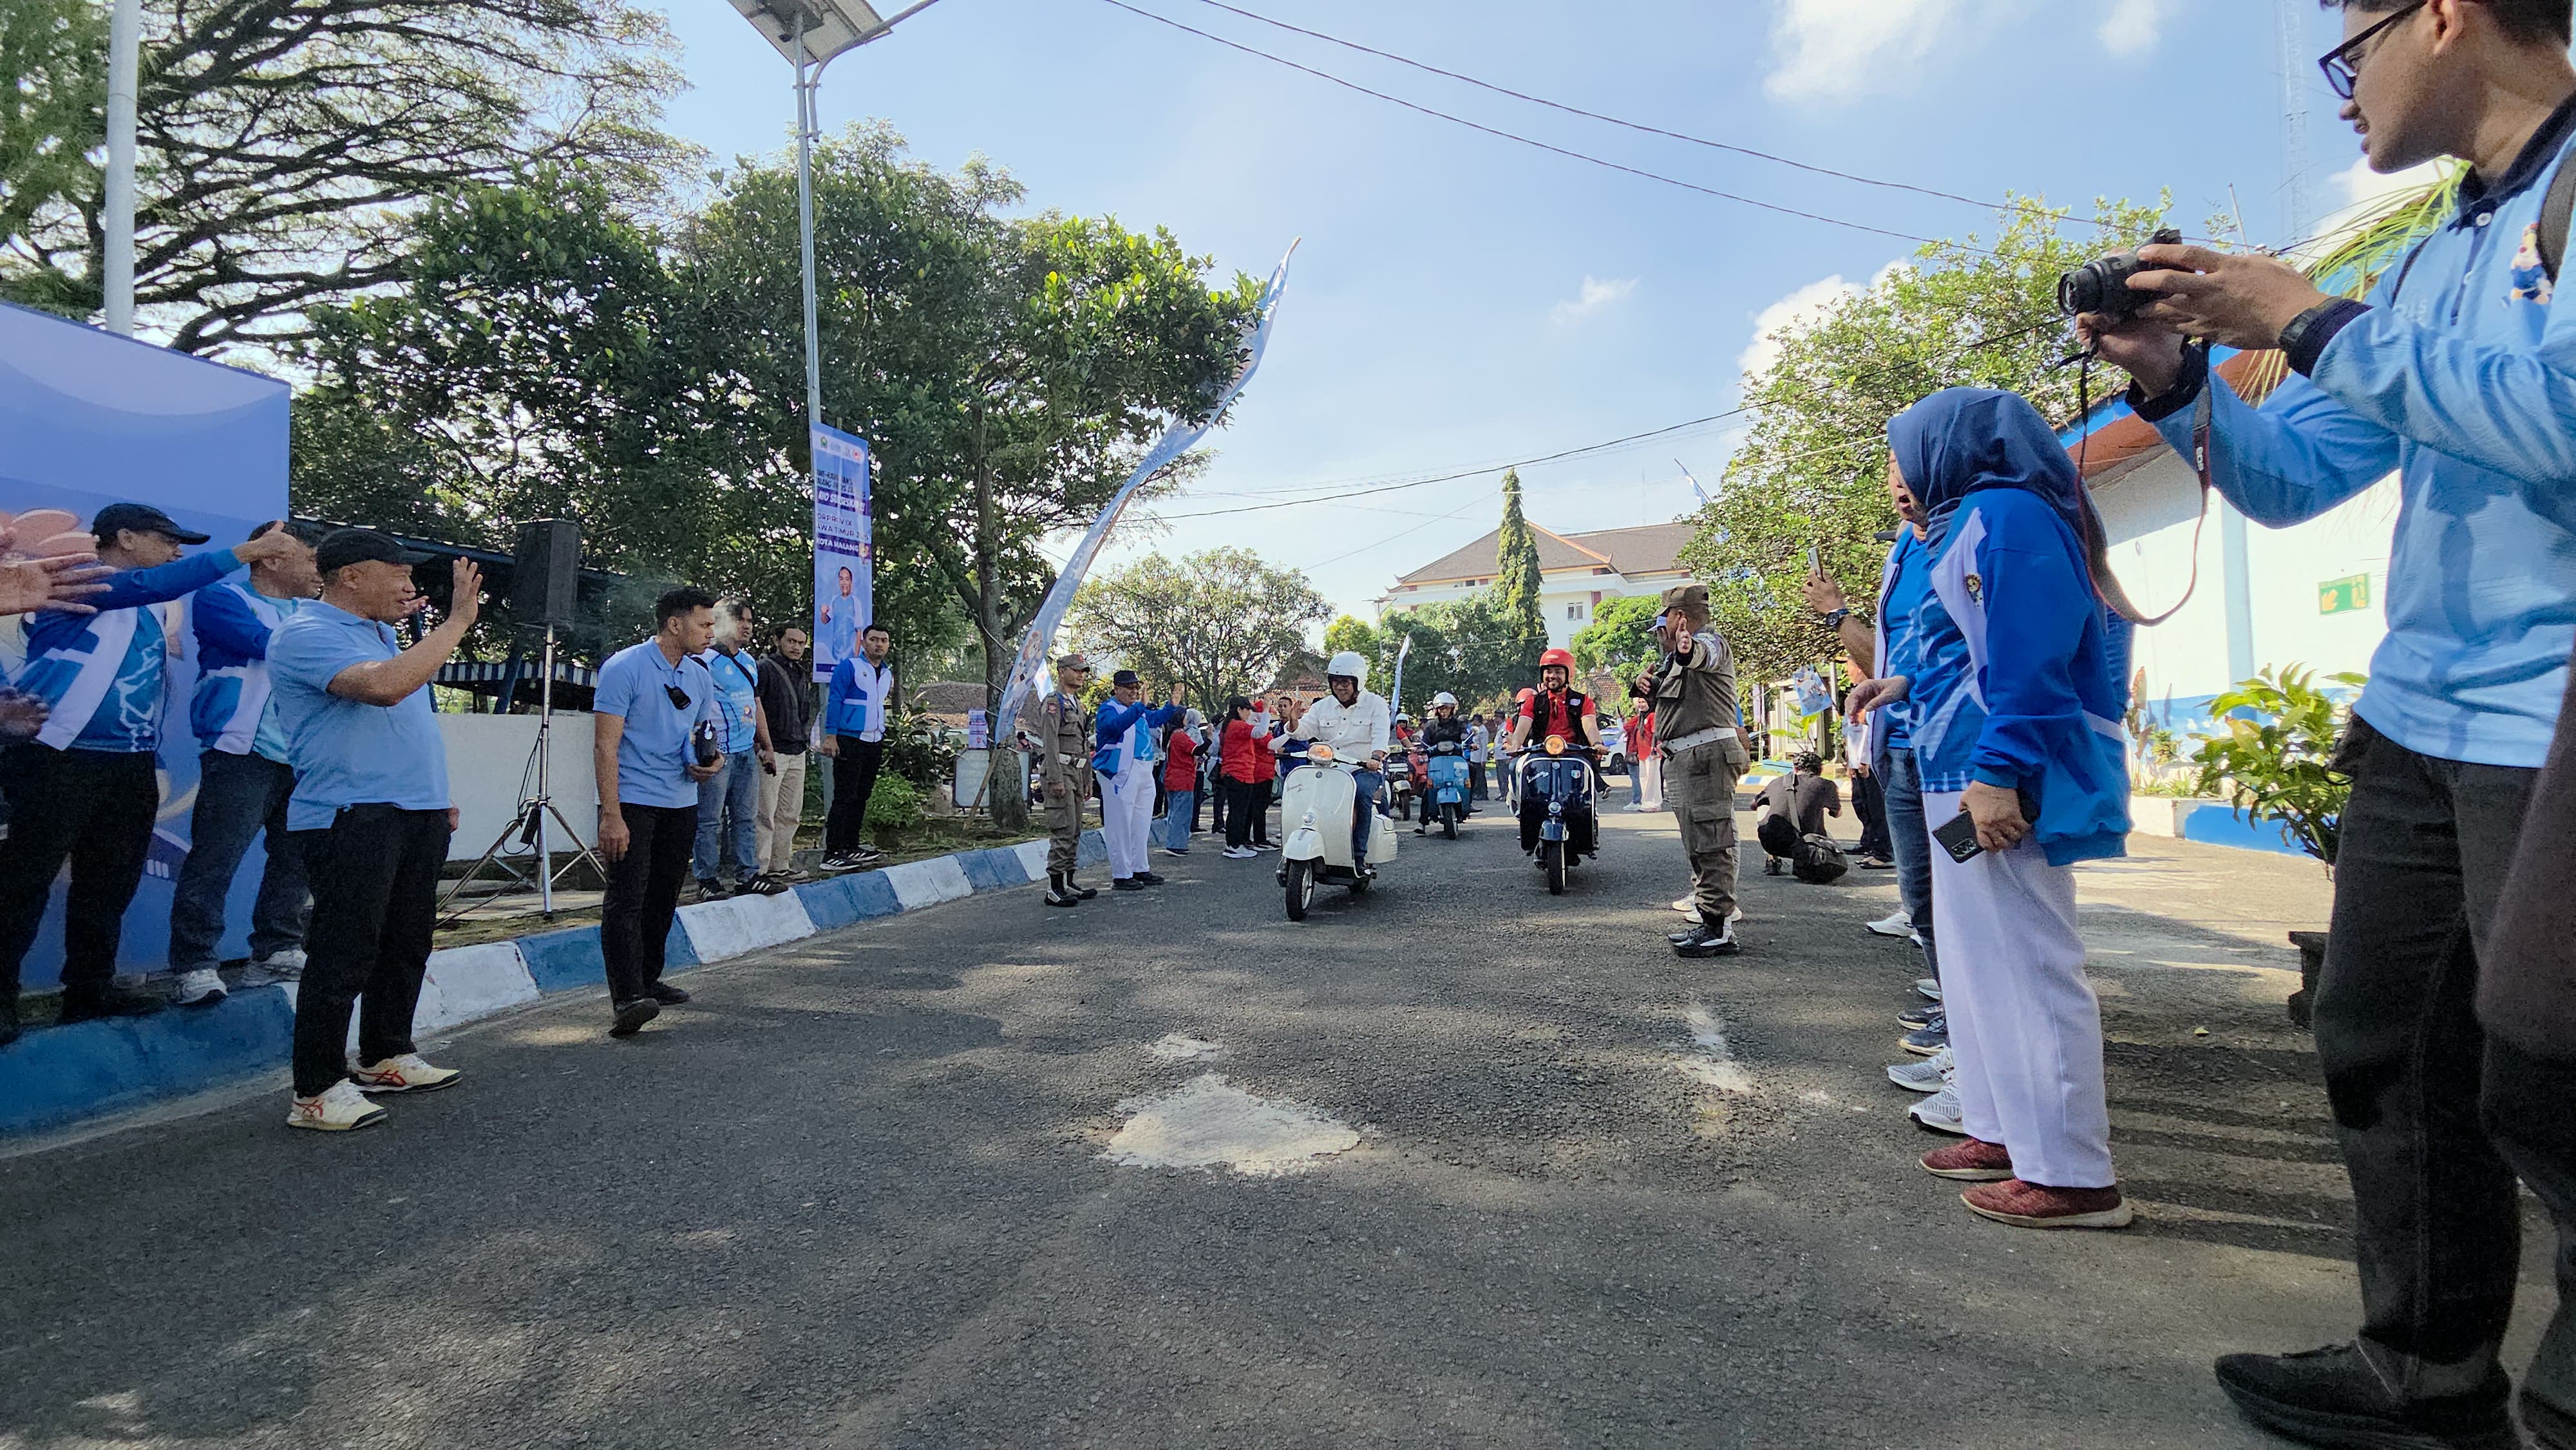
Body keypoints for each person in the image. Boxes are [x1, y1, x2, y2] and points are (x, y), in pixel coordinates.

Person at [2079, 0, 2576, 1432]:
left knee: (2547, 1087)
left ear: (2441, 15)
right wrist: (2175, 379)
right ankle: (2421, 1370)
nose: (2342, 92)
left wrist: (2302, 316)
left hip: (2547, 731)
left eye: (2343, 53)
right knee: (2381, 1046)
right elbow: (2296, 480)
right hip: (2420, 719)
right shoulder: (2432, 261)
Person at [1847, 388, 2136, 1232]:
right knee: (1974, 960)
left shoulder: (2005, 520)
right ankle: (2003, 1130)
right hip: (1956, 776)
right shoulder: (1968, 522)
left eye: (1905, 453)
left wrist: (2000, 771)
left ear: (1951, 448)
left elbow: (2032, 666)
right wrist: (1900, 683)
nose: (1897, 476)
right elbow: (1972, 657)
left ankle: (2074, 1173)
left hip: (1994, 781)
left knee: (2028, 962)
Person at [0, 504, 301, 1044]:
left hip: (130, 762)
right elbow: (150, 584)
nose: (176, 551)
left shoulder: (152, 609)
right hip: (58, 757)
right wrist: (245, 553)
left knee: (108, 886)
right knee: (24, 883)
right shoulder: (80, 579)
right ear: (125, 538)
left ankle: (88, 991)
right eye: (167, 540)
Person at [266, 531, 480, 1130]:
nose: (410, 586)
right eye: (398, 572)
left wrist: (436, 798)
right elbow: (384, 689)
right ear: (352, 576)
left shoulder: (381, 634)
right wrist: (459, 621)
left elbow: (404, 723)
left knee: (406, 941)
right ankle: (315, 1090)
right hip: (349, 813)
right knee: (344, 950)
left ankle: (386, 1053)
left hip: (414, 811)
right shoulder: (305, 633)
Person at [166, 519, 326, 1008]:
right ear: (273, 558)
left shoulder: (314, 613)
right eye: (312, 559)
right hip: (241, 750)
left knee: (295, 859)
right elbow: (269, 647)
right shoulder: (223, 599)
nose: (321, 572)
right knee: (215, 860)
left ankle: (276, 948)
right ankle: (194, 964)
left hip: (300, 754)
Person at [1811, 471, 1946, 1004]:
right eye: (1891, 474)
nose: (1897, 486)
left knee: (1960, 899)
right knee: (1925, 898)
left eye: (1906, 470)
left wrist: (1838, 615)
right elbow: (1888, 666)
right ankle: (1956, 1019)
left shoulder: (1975, 540)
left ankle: (1975, 1043)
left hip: (1948, 758)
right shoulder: (1904, 559)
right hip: (1901, 749)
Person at [592, 588, 724, 1039]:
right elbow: (605, 747)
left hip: (681, 800)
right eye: (704, 624)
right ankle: (626, 997)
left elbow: (703, 734)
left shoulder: (699, 674)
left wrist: (712, 761)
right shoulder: (624, 669)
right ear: (674, 624)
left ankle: (648, 979)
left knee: (664, 895)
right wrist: (611, 816)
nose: (712, 633)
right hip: (632, 801)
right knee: (627, 897)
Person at [1651, 587, 1751, 959]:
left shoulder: (1709, 642)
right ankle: (1709, 917)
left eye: (1666, 622)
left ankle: (1718, 927)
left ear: (1680, 618)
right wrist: (1649, 687)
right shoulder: (1674, 661)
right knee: (1698, 844)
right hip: (1686, 759)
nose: (1662, 633)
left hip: (1705, 756)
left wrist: (1687, 648)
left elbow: (1702, 655)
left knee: (1713, 841)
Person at [1274, 652, 1392, 874]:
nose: (1341, 687)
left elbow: (1380, 735)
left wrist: (1376, 757)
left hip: (1363, 769)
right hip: (1329, 769)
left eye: (1346, 682)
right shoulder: (1323, 707)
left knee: (1363, 797)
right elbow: (1304, 731)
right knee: (1304, 797)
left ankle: (1359, 856)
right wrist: (1293, 720)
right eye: (1336, 682)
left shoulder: (1376, 704)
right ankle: (1294, 852)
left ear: (1358, 681)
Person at [691, 599, 773, 899]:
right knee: (709, 820)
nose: (747, 626)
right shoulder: (704, 661)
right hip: (718, 754)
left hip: (745, 753)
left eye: (750, 621)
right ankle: (707, 880)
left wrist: (767, 746)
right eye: (740, 620)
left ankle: (748, 876)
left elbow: (756, 704)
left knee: (745, 818)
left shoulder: (750, 662)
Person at [1504, 648, 1601, 856]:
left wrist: (1597, 743)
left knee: (1580, 793)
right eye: (1548, 671)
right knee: (1524, 776)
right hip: (1541, 752)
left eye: (1558, 671)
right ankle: (1525, 814)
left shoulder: (1583, 701)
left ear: (1569, 674)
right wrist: (1515, 744)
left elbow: (1590, 725)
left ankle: (1589, 820)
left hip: (1573, 752)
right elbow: (1523, 725)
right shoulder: (1534, 701)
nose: (1552, 676)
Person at [1095, 672, 1183, 890]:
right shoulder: (1109, 708)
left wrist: (1171, 706)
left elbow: (1155, 719)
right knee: (1120, 823)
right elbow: (1115, 727)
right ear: (1116, 688)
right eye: (1128, 687)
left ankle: (1139, 867)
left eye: (1136, 687)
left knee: (1141, 822)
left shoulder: (1138, 709)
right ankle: (1121, 874)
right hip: (1121, 770)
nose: (1134, 691)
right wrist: (1139, 708)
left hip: (1144, 767)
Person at [820, 621, 895, 872]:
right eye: (874, 639)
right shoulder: (849, 667)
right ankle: (833, 851)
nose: (879, 644)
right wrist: (831, 736)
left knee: (862, 796)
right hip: (849, 738)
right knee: (844, 795)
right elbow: (836, 699)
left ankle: (851, 845)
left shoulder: (886, 674)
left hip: (874, 740)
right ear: (863, 642)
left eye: (883, 641)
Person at [753, 623, 816, 884]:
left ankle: (780, 864)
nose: (796, 647)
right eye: (791, 641)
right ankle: (758, 869)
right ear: (779, 641)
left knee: (790, 813)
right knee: (765, 812)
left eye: (801, 644)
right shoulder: (766, 668)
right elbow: (756, 708)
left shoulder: (801, 672)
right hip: (773, 750)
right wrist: (762, 746)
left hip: (796, 749)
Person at [1036, 654, 1099, 907]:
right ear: (1061, 671)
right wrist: (1055, 779)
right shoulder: (1054, 703)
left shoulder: (1078, 705)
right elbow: (1050, 742)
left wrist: (1087, 778)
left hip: (1076, 772)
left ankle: (1069, 882)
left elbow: (1083, 745)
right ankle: (1054, 887)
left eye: (1084, 671)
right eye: (1076, 670)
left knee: (1074, 830)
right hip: (1060, 772)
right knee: (1062, 829)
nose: (1082, 675)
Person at [1755, 751, 1844, 880]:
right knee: (1819, 815)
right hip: (1809, 846)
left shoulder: (1777, 782)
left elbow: (1754, 804)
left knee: (1762, 806)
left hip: (1773, 844)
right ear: (1821, 769)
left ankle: (1772, 859)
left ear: (1795, 768)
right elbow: (1837, 814)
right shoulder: (1826, 785)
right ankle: (1813, 859)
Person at [1218, 697, 1269, 860]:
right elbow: (1260, 732)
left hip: (1237, 773)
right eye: (1247, 709)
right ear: (1239, 710)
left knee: (1237, 811)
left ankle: (1235, 844)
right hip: (1239, 773)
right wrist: (1266, 711)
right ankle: (1234, 845)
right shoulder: (1237, 725)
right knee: (1238, 811)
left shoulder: (1230, 726)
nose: (1249, 713)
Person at [1415, 692, 1468, 836]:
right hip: (1437, 761)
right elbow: (1425, 741)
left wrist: (1470, 743)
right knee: (1429, 789)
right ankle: (1423, 822)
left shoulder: (1458, 724)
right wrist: (1421, 748)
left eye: (1447, 708)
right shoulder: (1431, 725)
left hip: (1456, 759)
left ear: (1452, 709)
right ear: (1437, 710)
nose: (1444, 711)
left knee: (1472, 773)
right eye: (1441, 709)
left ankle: (1468, 802)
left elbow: (1464, 736)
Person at [1160, 709, 1202, 856]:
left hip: (1172, 777)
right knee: (1181, 814)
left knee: (1174, 812)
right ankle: (1176, 844)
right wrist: (1209, 738)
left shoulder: (1171, 736)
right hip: (1183, 778)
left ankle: (1175, 843)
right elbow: (1198, 750)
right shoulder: (1180, 736)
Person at [818, 564, 858, 670]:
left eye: (847, 579)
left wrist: (856, 657)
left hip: (850, 653)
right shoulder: (835, 600)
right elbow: (825, 621)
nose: (844, 582)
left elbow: (859, 631)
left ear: (851, 582)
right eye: (841, 579)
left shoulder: (855, 601)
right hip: (835, 652)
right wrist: (823, 613)